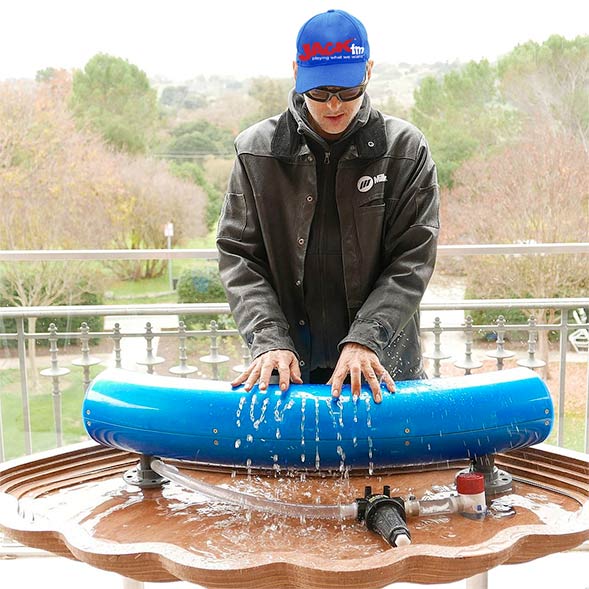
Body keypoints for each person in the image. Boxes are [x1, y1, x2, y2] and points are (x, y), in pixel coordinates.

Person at [216, 9, 439, 403]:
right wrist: (269, 340)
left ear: (368, 71)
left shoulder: (406, 150)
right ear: (296, 73)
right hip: (285, 372)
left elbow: (412, 260)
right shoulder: (255, 151)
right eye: (319, 92)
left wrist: (366, 340)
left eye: (347, 91)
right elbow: (239, 256)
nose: (334, 105)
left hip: (383, 371)